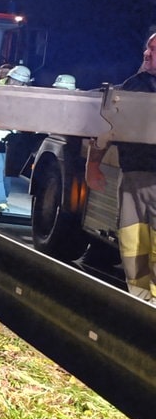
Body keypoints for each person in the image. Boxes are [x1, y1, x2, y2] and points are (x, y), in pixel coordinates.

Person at [86, 32, 156, 301]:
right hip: (133, 178)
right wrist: (93, 165)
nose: (147, 54)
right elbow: (107, 127)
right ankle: (141, 304)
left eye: (154, 50)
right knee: (133, 245)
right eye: (146, 50)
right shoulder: (134, 86)